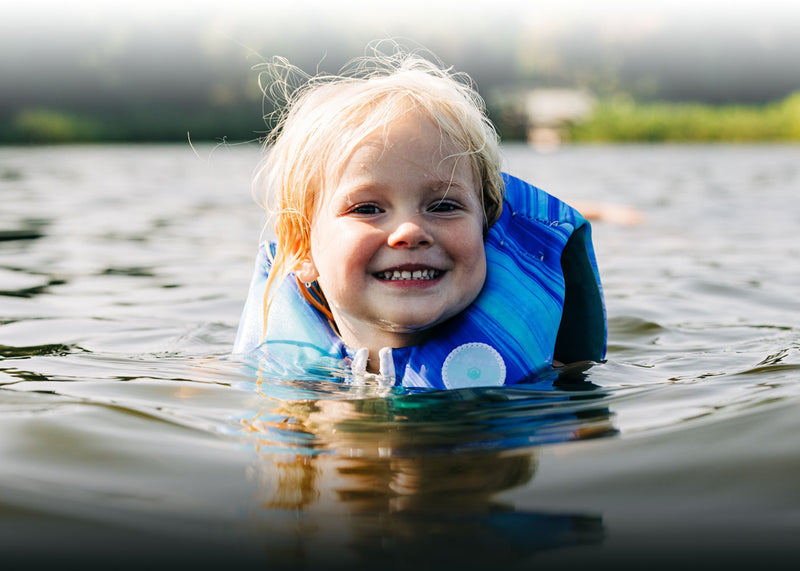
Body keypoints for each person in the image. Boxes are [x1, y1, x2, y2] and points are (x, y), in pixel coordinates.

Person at [235, 46, 606, 390]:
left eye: (443, 206)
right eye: (367, 208)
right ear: (303, 248)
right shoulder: (275, 381)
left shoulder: (558, 379)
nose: (410, 231)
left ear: (486, 229)